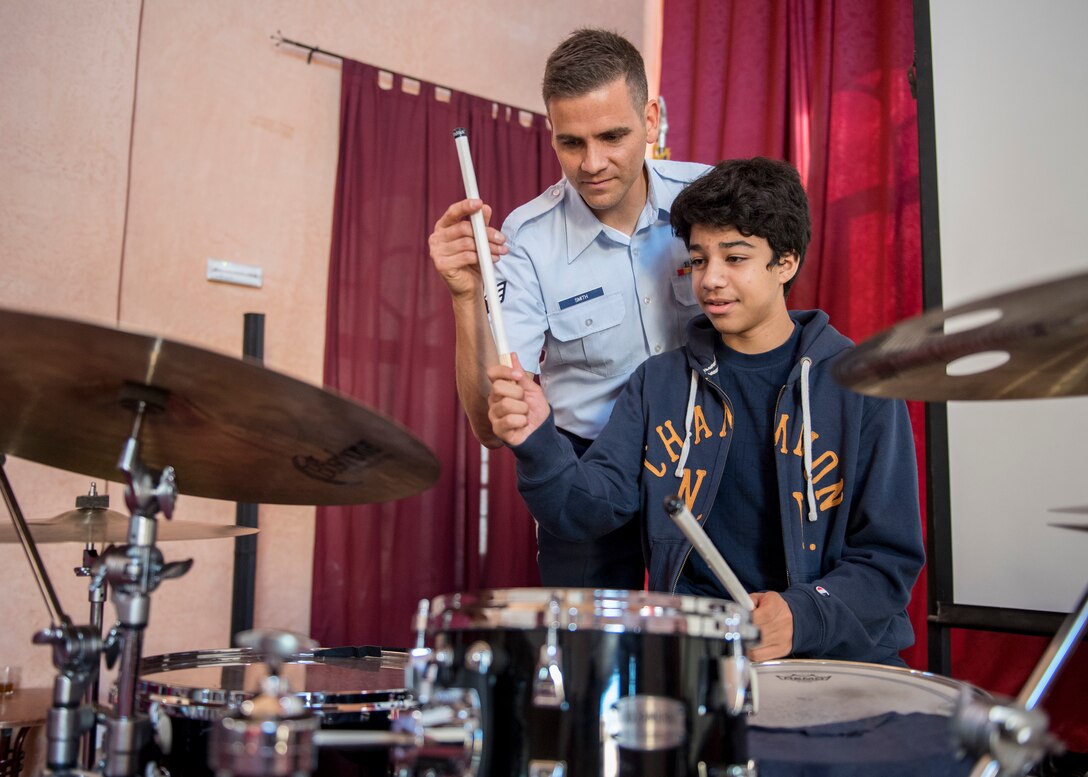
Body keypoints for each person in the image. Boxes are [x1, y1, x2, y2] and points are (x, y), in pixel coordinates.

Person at [486, 157, 925, 664]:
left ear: (786, 262)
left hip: (835, 659)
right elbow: (585, 511)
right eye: (698, 260)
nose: (710, 280)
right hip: (703, 664)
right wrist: (538, 438)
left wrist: (803, 614)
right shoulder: (660, 382)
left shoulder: (862, 382)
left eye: (735, 258)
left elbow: (887, 561)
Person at [428, 29, 709, 589]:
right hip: (585, 466)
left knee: (717, 652)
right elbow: (490, 427)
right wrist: (465, 297)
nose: (593, 163)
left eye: (612, 136)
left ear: (650, 119)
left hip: (707, 451)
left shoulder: (706, 197)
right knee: (590, 665)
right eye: (571, 143)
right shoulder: (526, 239)